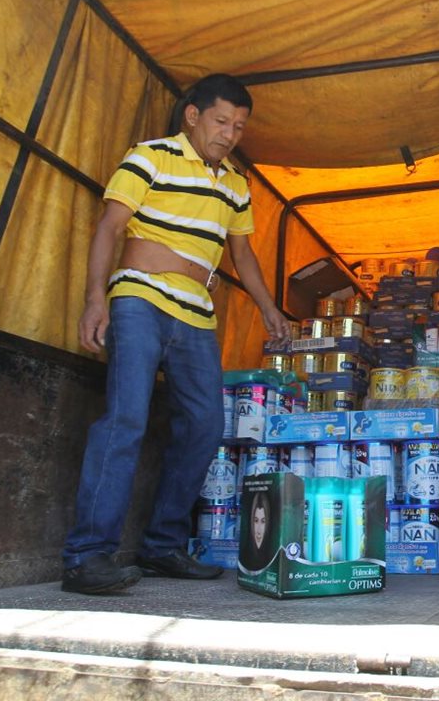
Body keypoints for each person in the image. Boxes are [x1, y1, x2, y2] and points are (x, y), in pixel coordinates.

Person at [62, 74, 290, 595]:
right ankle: (86, 555)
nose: (229, 133)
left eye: (238, 126)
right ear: (193, 115)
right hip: (139, 301)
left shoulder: (235, 184)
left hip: (196, 316)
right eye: (220, 121)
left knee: (206, 426)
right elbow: (109, 227)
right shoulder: (150, 157)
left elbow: (243, 255)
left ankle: (163, 546)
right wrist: (96, 299)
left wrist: (269, 308)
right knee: (125, 421)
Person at [240, 490, 277, 571]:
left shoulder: (274, 557)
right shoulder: (243, 558)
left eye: (263, 521)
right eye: (256, 521)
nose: (259, 530)